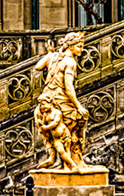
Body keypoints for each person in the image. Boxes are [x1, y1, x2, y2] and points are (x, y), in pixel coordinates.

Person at [31, 30, 88, 170]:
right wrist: (78, 105)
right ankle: (73, 159)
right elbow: (68, 87)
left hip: (46, 100)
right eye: (79, 46)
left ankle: (58, 159)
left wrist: (50, 54)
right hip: (60, 100)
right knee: (80, 119)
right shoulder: (70, 61)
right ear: (70, 45)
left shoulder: (54, 57)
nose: (81, 49)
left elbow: (38, 66)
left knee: (56, 134)